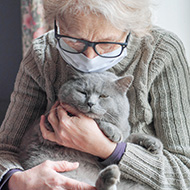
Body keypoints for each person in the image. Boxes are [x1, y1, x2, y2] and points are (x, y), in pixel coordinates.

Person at [0, 0, 190, 189]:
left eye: (107, 44)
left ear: (130, 28)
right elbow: (5, 150)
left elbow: (185, 174)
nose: (89, 56)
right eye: (74, 41)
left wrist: (109, 150)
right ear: (57, 23)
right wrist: (17, 180)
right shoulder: (43, 53)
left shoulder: (162, 52)